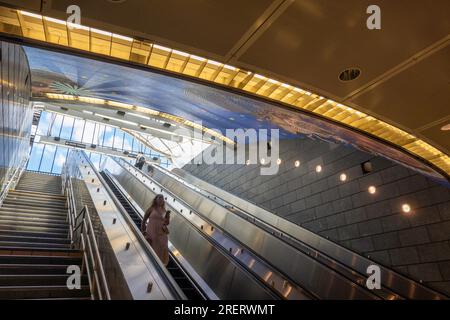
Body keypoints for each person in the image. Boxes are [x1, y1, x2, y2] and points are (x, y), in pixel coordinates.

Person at [141, 194, 170, 266]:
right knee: (153, 247)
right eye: (159, 198)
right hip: (152, 232)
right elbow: (144, 220)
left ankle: (160, 265)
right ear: (156, 199)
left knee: (162, 247)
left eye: (162, 198)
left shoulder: (164, 210)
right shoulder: (151, 209)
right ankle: (151, 264)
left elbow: (166, 223)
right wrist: (143, 231)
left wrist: (168, 217)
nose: (161, 199)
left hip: (162, 234)